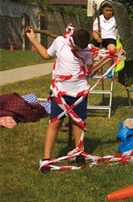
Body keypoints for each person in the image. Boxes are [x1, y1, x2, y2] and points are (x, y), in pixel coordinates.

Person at [25, 25, 97, 172]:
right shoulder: (60, 42)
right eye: (76, 47)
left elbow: (89, 70)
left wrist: (103, 62)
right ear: (72, 41)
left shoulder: (87, 50)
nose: (78, 50)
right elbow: (46, 55)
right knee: (55, 123)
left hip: (79, 93)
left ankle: (78, 153)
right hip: (61, 93)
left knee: (78, 123)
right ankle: (46, 158)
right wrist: (32, 39)